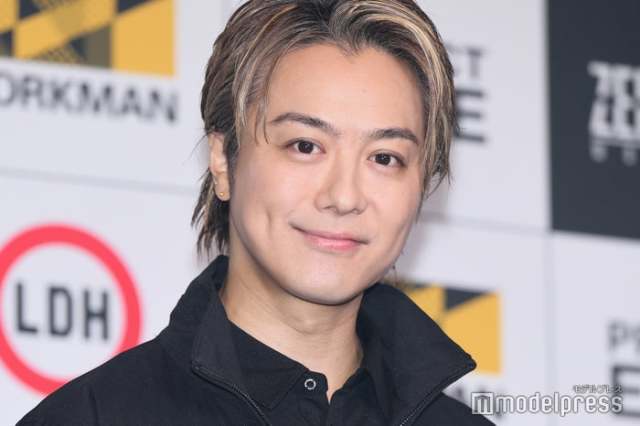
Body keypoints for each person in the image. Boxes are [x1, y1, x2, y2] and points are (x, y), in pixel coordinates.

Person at [18, 0, 494, 424]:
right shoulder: (93, 416)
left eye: (385, 158)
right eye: (305, 146)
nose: (344, 196)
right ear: (223, 162)